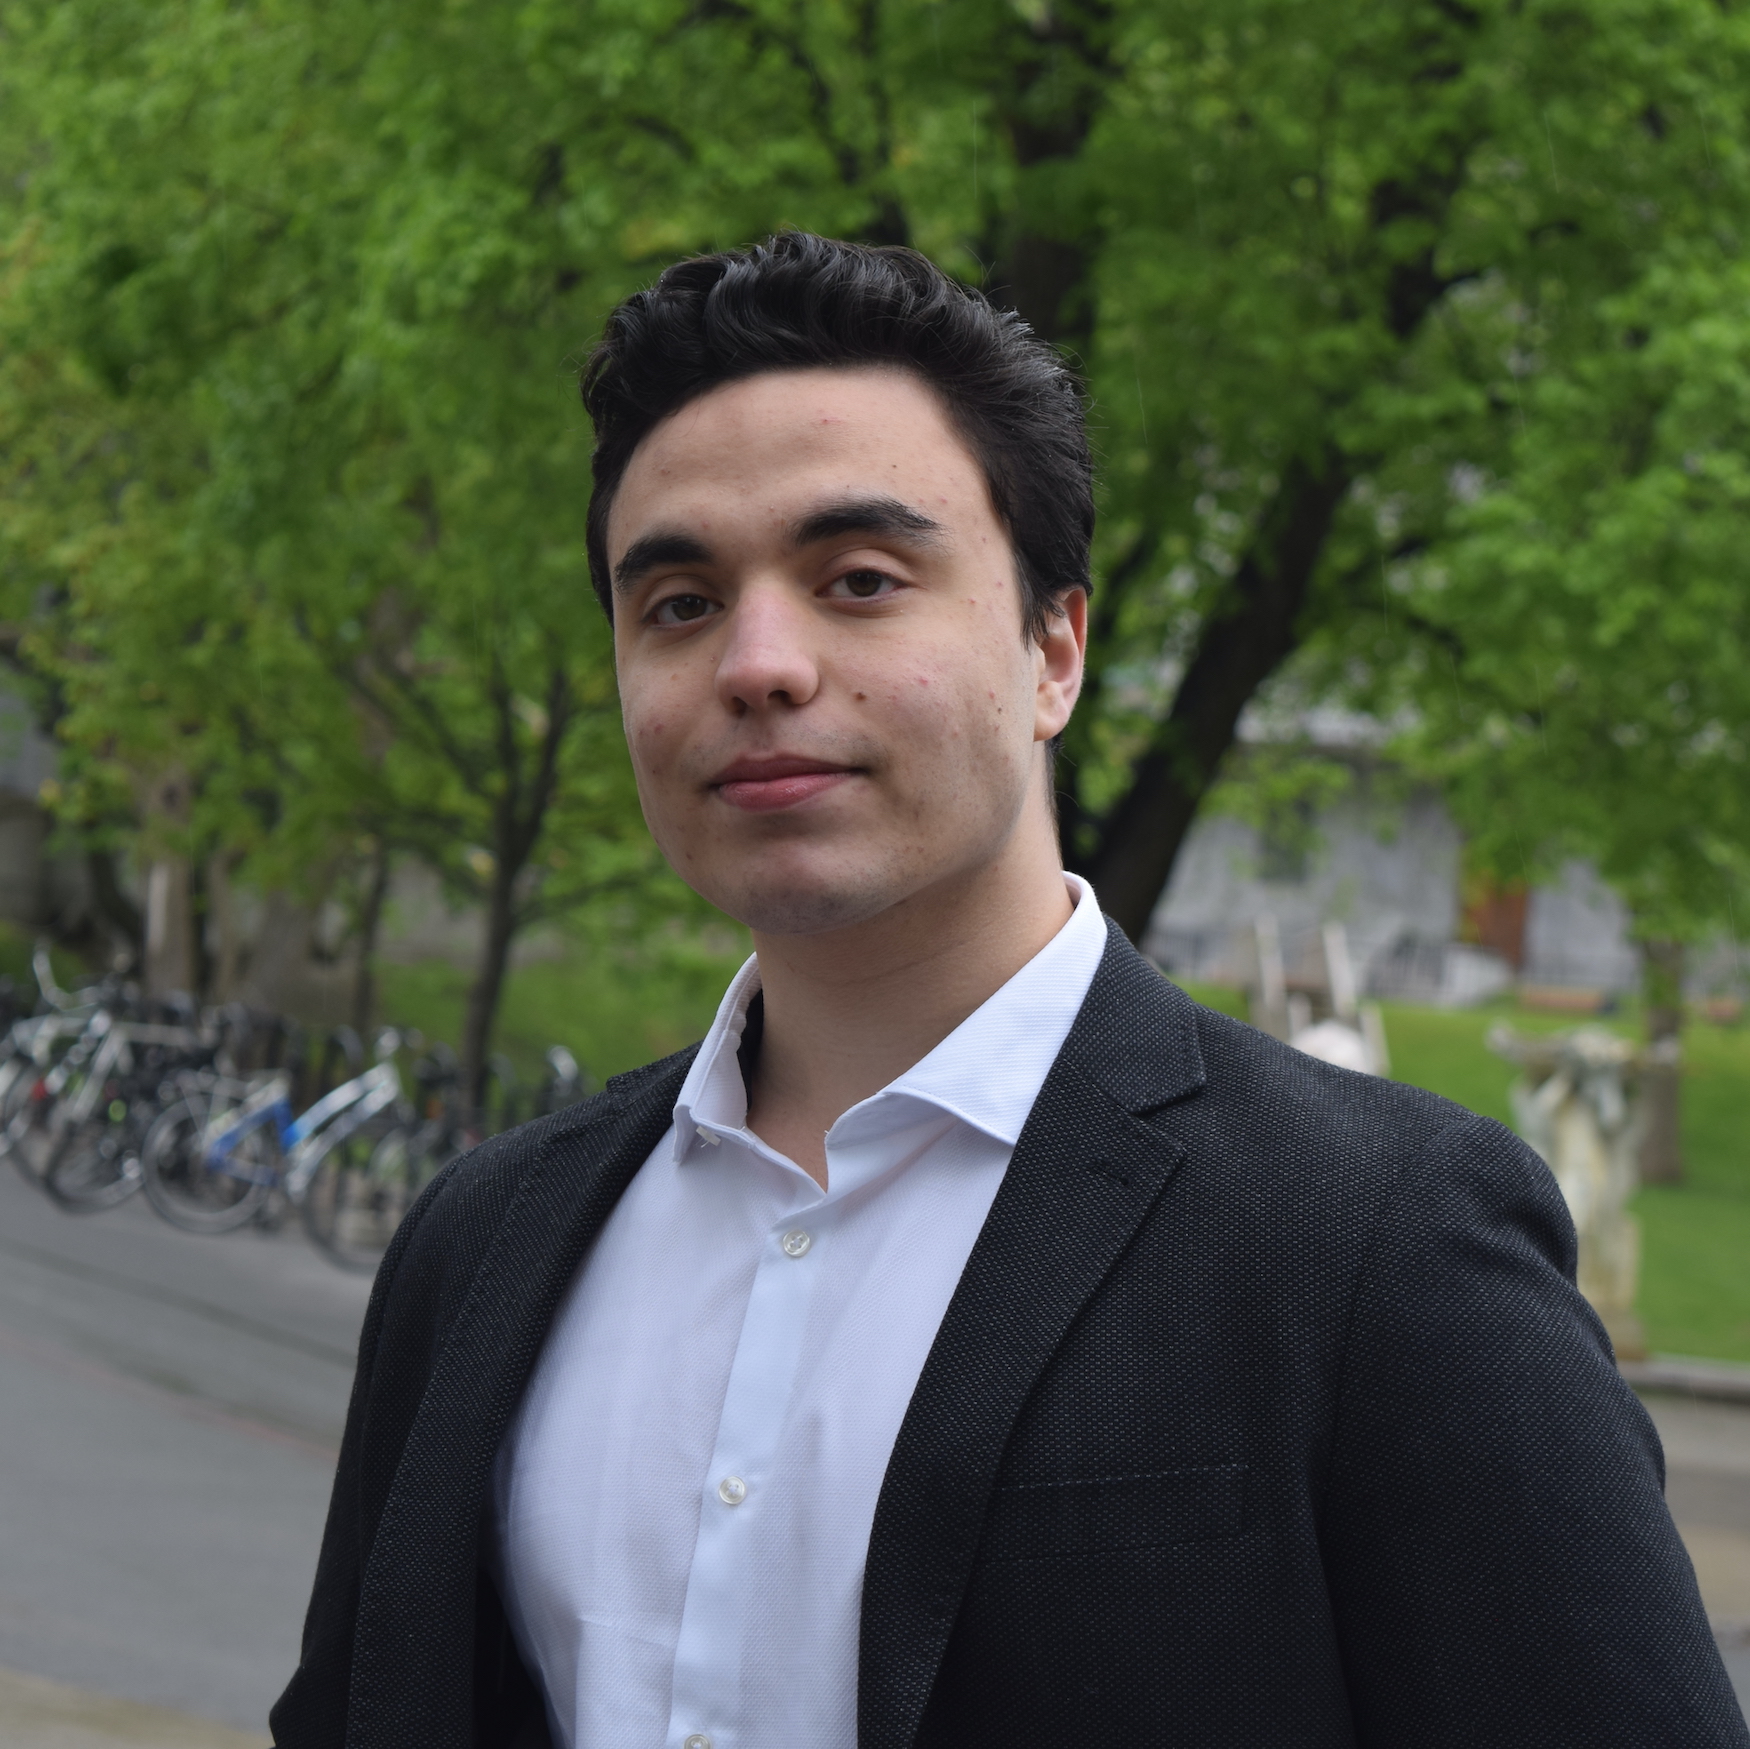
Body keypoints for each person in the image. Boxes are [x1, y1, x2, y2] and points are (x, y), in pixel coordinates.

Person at [271, 233, 1745, 1749]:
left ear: (1055, 647)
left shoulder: (1373, 1245)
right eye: (679, 603)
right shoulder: (483, 1240)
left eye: (858, 579)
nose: (757, 663)